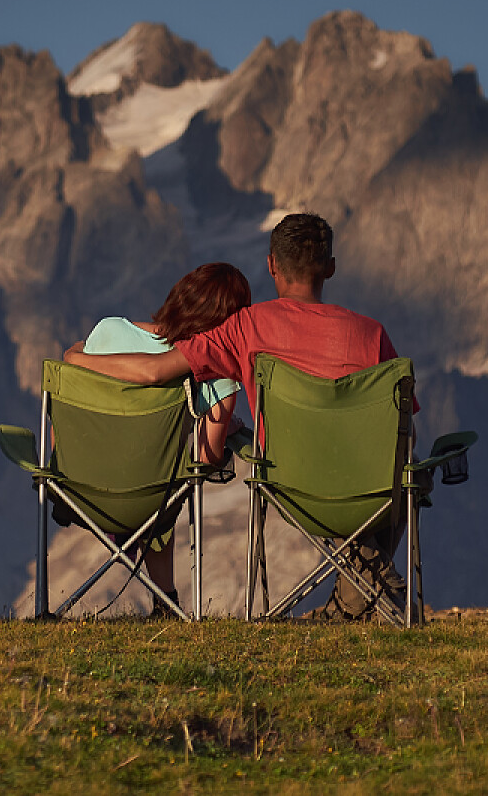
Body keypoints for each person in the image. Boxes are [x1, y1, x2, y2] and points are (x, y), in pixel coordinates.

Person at [65, 213, 406, 618]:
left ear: (271, 266)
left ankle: (351, 601)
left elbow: (155, 370)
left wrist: (74, 357)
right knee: (405, 469)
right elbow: (405, 433)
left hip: (290, 487)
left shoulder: (245, 327)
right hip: (369, 492)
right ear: (330, 267)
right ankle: (359, 591)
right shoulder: (373, 334)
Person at [69, 262, 252, 617]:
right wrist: (226, 421)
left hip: (78, 486)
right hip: (148, 495)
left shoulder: (107, 329)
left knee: (150, 473)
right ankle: (166, 602)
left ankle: (164, 602)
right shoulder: (215, 371)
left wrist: (74, 355)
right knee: (161, 480)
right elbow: (205, 458)